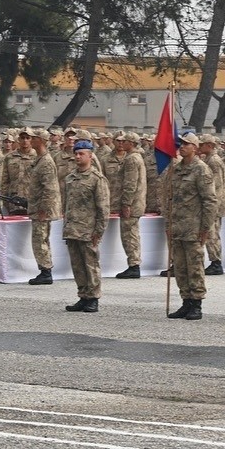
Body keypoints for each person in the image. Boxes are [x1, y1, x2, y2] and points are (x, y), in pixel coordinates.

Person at [165, 133, 218, 320]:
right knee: (179, 268)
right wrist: (168, 223)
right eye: (181, 144)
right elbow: (170, 199)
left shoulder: (201, 170)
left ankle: (196, 303)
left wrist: (205, 228)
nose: (182, 147)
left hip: (194, 227)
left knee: (195, 267)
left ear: (195, 148)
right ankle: (185, 301)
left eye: (187, 144)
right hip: (178, 227)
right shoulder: (177, 169)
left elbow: (210, 201)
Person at [62, 139, 110, 313]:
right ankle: (83, 295)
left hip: (88, 230)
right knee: (77, 265)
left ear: (90, 156)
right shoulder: (70, 178)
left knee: (91, 265)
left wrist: (99, 231)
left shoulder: (97, 179)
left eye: (81, 153)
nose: (77, 156)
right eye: (76, 153)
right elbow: (66, 204)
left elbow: (103, 208)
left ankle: (94, 297)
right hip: (72, 229)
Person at [25, 127, 62, 285]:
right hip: (37, 206)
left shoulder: (46, 162)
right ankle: (45, 268)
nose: (30, 140)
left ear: (40, 141)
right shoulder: (39, 159)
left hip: (42, 209)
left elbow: (50, 189)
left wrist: (43, 209)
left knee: (40, 240)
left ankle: (45, 271)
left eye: (33, 138)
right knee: (42, 239)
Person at [115, 132, 147, 279]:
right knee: (131, 234)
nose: (122, 144)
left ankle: (134, 265)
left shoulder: (132, 159)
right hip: (136, 202)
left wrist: (126, 203)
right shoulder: (135, 157)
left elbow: (130, 183)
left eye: (125, 141)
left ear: (132, 143)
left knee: (129, 235)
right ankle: (134, 263)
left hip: (133, 203)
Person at [199, 133, 225, 275]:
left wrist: (211, 205)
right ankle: (215, 261)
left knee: (212, 233)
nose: (199, 147)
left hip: (215, 203)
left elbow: (215, 185)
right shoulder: (210, 159)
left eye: (201, 144)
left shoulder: (214, 161)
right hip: (215, 202)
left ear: (209, 146)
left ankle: (216, 262)